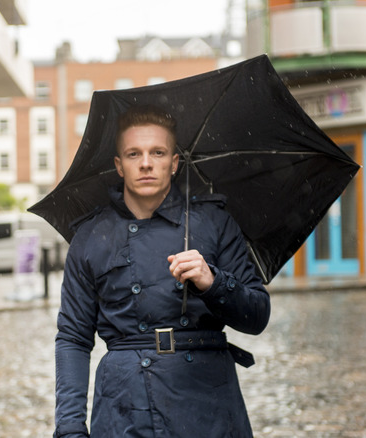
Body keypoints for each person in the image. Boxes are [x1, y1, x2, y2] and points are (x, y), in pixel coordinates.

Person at [54, 104, 271, 437]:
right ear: (119, 165)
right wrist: (69, 428)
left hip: (207, 403)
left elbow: (257, 316)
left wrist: (212, 283)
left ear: (174, 163)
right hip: (123, 406)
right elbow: (73, 338)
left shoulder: (214, 223)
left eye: (157, 152)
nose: (145, 163)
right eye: (133, 153)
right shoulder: (90, 237)